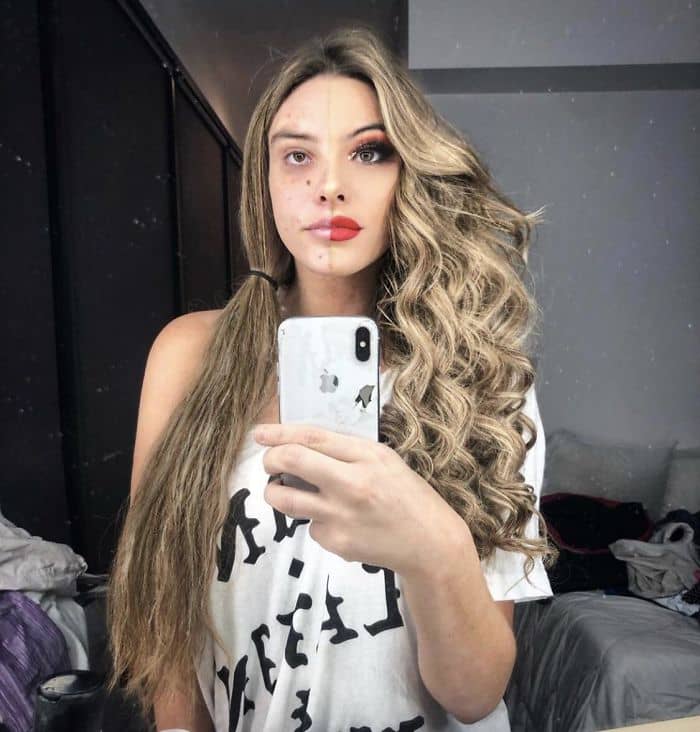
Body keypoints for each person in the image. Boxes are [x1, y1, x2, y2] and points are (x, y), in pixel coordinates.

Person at [106, 26, 555, 732]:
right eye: (297, 155)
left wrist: (434, 546)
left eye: (369, 151)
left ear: (410, 173)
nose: (330, 186)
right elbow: (166, 633)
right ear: (265, 183)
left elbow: (474, 695)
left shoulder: (481, 376)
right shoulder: (189, 355)